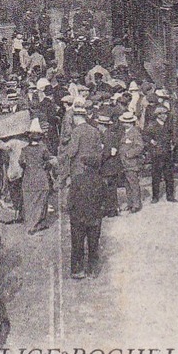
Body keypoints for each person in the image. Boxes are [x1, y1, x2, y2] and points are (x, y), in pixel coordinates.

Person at [63, 103, 107, 279]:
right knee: (94, 240)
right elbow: (99, 150)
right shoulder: (95, 130)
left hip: (79, 173)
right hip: (94, 176)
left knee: (78, 239)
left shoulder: (76, 132)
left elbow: (72, 152)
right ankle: (93, 269)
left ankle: (77, 269)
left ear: (75, 117)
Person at [21, 117, 55, 233]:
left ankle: (30, 224)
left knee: (29, 202)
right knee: (41, 202)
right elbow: (49, 160)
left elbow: (21, 163)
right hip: (41, 178)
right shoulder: (43, 149)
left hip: (28, 179)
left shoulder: (24, 149)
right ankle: (37, 224)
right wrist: (45, 166)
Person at [0, 123, 29, 225]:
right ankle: (23, 213)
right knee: (22, 193)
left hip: (15, 172)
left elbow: (1, 146)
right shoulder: (25, 142)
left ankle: (18, 215)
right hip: (23, 171)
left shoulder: (13, 142)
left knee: (15, 193)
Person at [146, 104, 178, 203]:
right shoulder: (152, 125)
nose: (165, 116)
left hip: (167, 153)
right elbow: (145, 136)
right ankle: (155, 197)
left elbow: (173, 136)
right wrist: (151, 141)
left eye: (166, 114)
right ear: (158, 115)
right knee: (156, 176)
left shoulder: (168, 125)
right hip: (156, 154)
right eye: (163, 114)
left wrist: (173, 143)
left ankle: (170, 196)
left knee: (169, 175)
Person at [118, 110, 146, 213]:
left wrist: (129, 154)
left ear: (130, 123)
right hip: (124, 163)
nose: (123, 123)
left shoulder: (135, 132)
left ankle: (136, 204)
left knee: (133, 183)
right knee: (127, 184)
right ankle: (130, 203)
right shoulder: (124, 132)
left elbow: (140, 146)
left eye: (125, 122)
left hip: (131, 163)